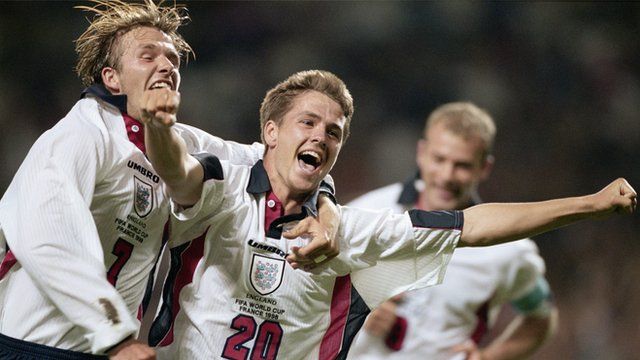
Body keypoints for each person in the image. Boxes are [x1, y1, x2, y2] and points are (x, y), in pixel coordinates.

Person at [140, 70, 636, 359]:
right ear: (270, 131)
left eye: (333, 132)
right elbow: (179, 171)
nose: (320, 136)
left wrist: (589, 204)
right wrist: (157, 122)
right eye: (307, 122)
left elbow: (476, 228)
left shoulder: (352, 229)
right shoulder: (221, 189)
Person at [0, 1, 338, 359]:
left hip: (103, 349)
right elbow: (50, 241)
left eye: (172, 59)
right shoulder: (80, 136)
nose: (166, 66)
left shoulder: (179, 142)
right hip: (30, 346)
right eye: (148, 56)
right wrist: (115, 334)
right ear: (111, 77)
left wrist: (327, 210)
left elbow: (280, 159)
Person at [346, 102, 558, 360]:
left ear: (484, 168)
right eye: (439, 159)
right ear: (421, 153)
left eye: (462, 165)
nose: (447, 175)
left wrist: (489, 358)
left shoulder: (507, 249)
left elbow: (541, 317)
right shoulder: (366, 214)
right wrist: (351, 309)